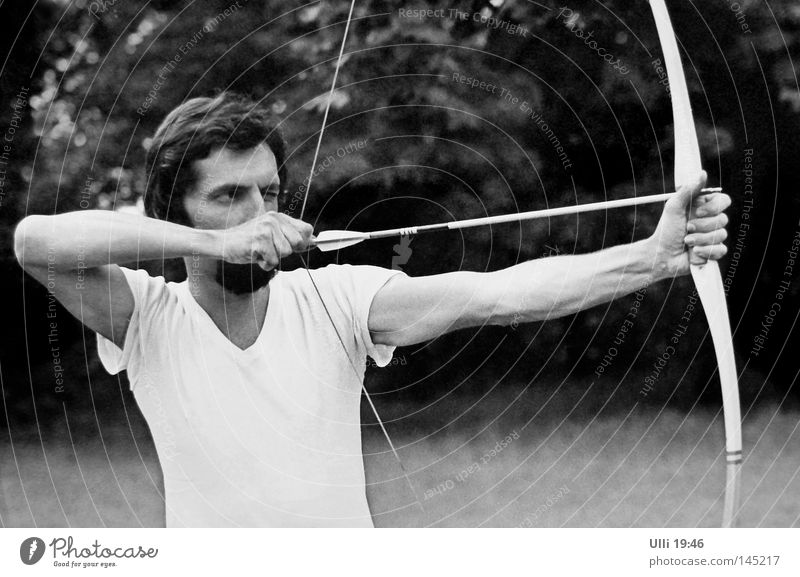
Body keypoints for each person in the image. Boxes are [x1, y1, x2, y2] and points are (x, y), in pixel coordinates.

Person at [13, 91, 730, 527]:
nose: (260, 212)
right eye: (231, 195)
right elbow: (34, 240)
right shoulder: (146, 316)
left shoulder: (339, 298)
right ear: (178, 211)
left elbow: (502, 294)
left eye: (267, 192)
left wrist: (655, 255)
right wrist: (216, 243)